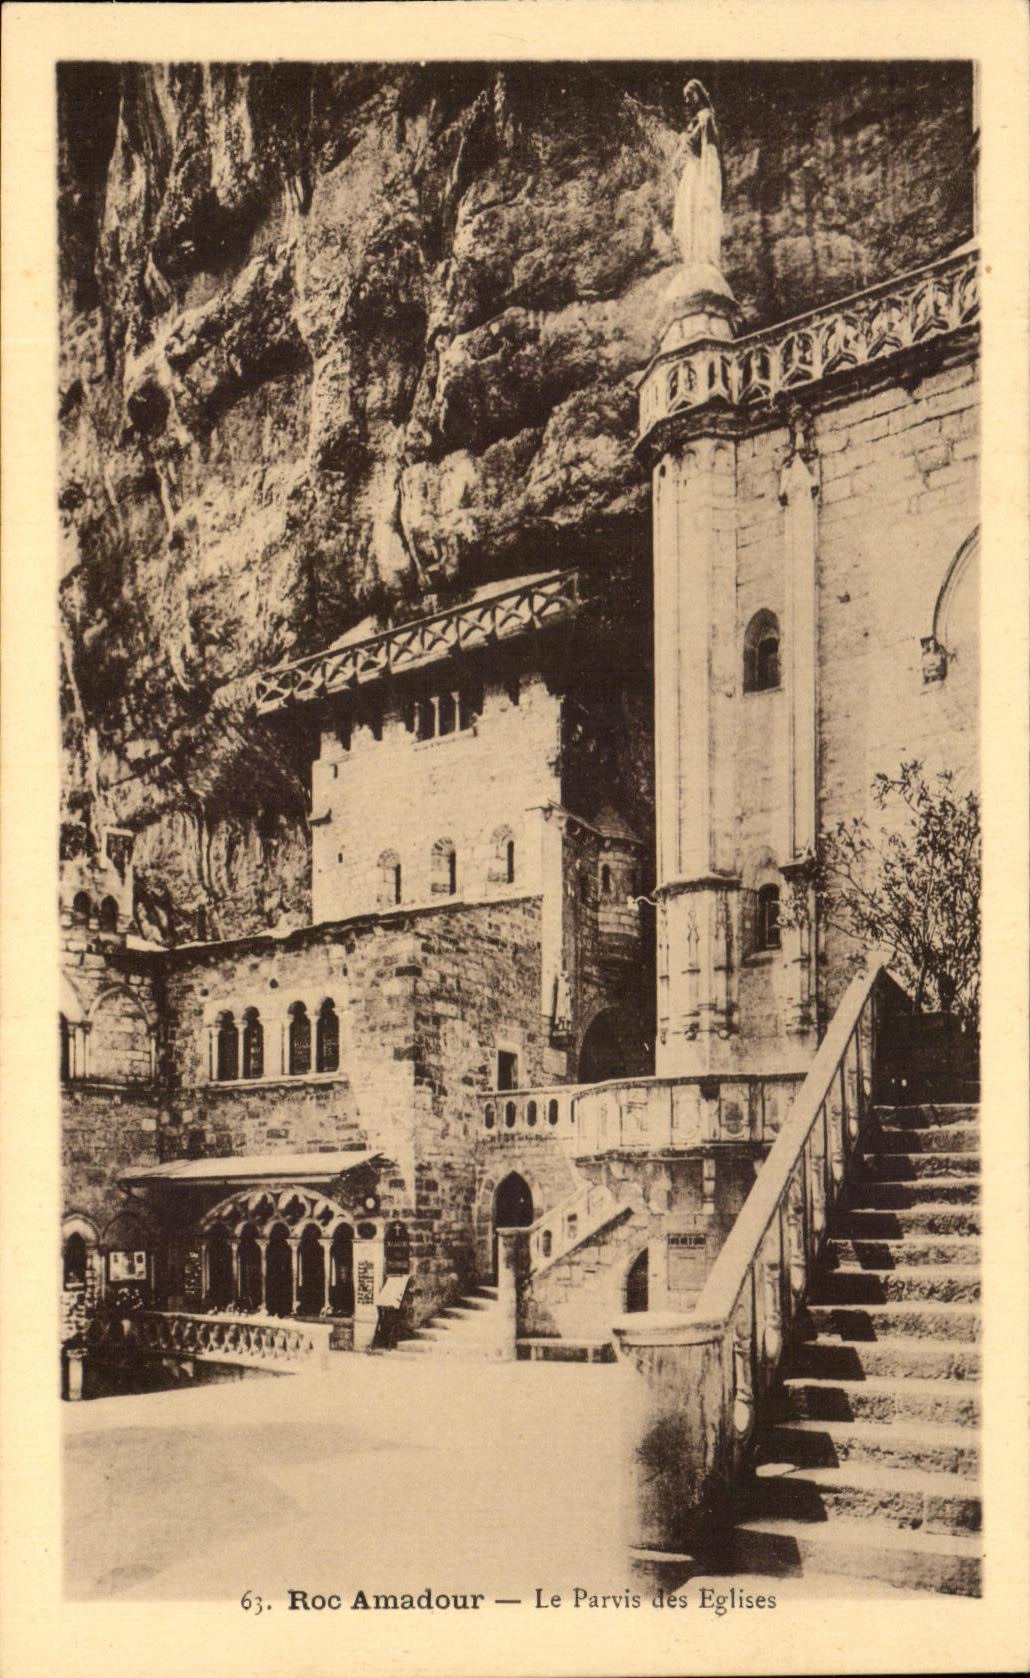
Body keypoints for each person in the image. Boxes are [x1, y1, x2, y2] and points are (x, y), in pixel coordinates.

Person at [673, 79, 723, 271]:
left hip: (704, 165)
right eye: (685, 96)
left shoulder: (705, 115)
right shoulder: (697, 118)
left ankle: (703, 254)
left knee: (702, 205)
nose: (687, 100)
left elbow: (696, 139)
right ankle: (693, 254)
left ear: (698, 93)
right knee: (690, 204)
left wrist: (685, 140)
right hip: (697, 163)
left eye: (689, 95)